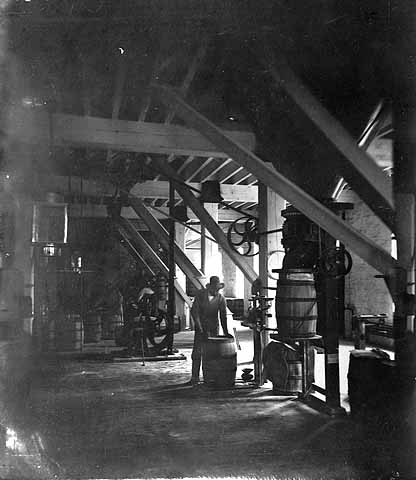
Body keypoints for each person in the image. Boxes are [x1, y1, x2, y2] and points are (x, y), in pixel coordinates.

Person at [189, 275, 230, 385]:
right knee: (197, 352)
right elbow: (194, 312)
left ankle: (209, 378)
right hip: (201, 328)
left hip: (213, 329)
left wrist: (226, 332)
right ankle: (195, 377)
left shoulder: (221, 299)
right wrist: (200, 327)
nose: (216, 291)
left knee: (211, 353)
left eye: (218, 289)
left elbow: (223, 317)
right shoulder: (201, 295)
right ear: (210, 287)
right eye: (214, 289)